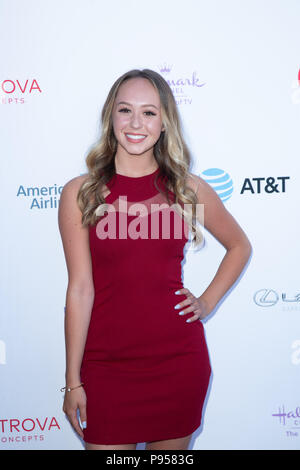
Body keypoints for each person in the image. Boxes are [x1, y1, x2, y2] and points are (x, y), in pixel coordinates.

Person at [58, 68, 252, 451]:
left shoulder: (186, 188)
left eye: (149, 113)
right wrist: (73, 380)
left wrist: (207, 301)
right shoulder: (81, 193)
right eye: (125, 110)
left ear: (164, 123)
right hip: (105, 366)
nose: (135, 123)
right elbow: (80, 290)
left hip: (177, 364)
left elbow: (239, 245)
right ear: (110, 117)